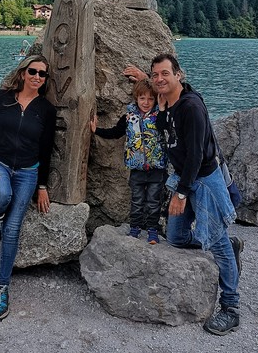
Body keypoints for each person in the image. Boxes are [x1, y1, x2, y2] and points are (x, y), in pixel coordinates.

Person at [125, 54, 243, 335]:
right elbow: (153, 89)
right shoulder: (163, 97)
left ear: (180, 75)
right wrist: (142, 77)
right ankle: (229, 242)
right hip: (182, 176)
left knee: (216, 243)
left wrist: (181, 194)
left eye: (165, 74)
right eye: (155, 75)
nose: (159, 79)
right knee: (176, 237)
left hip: (202, 178)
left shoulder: (191, 107)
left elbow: (196, 155)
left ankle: (231, 307)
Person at [0, 54, 56, 321]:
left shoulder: (46, 109)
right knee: (0, 196)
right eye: (33, 71)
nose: (37, 77)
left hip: (28, 172)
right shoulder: (3, 98)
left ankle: (2, 288)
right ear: (23, 72)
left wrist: (42, 185)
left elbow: (46, 149)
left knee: (12, 231)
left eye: (42, 74)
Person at [91, 79, 167, 244]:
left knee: (154, 201)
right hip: (137, 167)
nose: (146, 102)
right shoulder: (128, 117)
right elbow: (115, 133)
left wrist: (161, 106)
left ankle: (152, 230)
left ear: (156, 100)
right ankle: (135, 228)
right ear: (136, 98)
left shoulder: (160, 116)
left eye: (150, 99)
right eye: (142, 98)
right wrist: (96, 130)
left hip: (156, 168)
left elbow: (166, 124)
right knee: (137, 200)